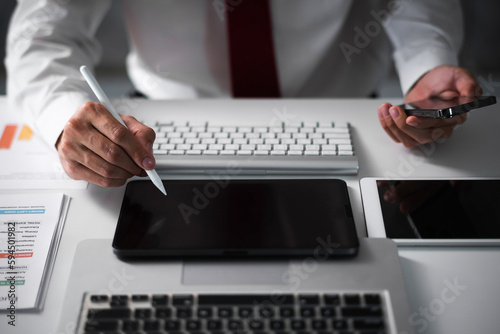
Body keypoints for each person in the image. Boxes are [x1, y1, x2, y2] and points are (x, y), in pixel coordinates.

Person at [6, 0, 481, 187]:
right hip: (156, 124)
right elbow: (42, 34)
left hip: (348, 114)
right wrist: (67, 117)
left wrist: (427, 64)